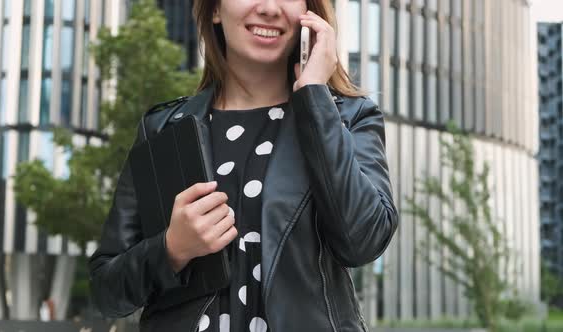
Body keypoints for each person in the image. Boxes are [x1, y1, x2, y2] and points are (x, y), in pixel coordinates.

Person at [88, 0, 398, 331]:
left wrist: (315, 99)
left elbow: (363, 242)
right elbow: (107, 291)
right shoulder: (164, 129)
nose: (269, 7)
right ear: (216, 10)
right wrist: (172, 248)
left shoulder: (349, 118)